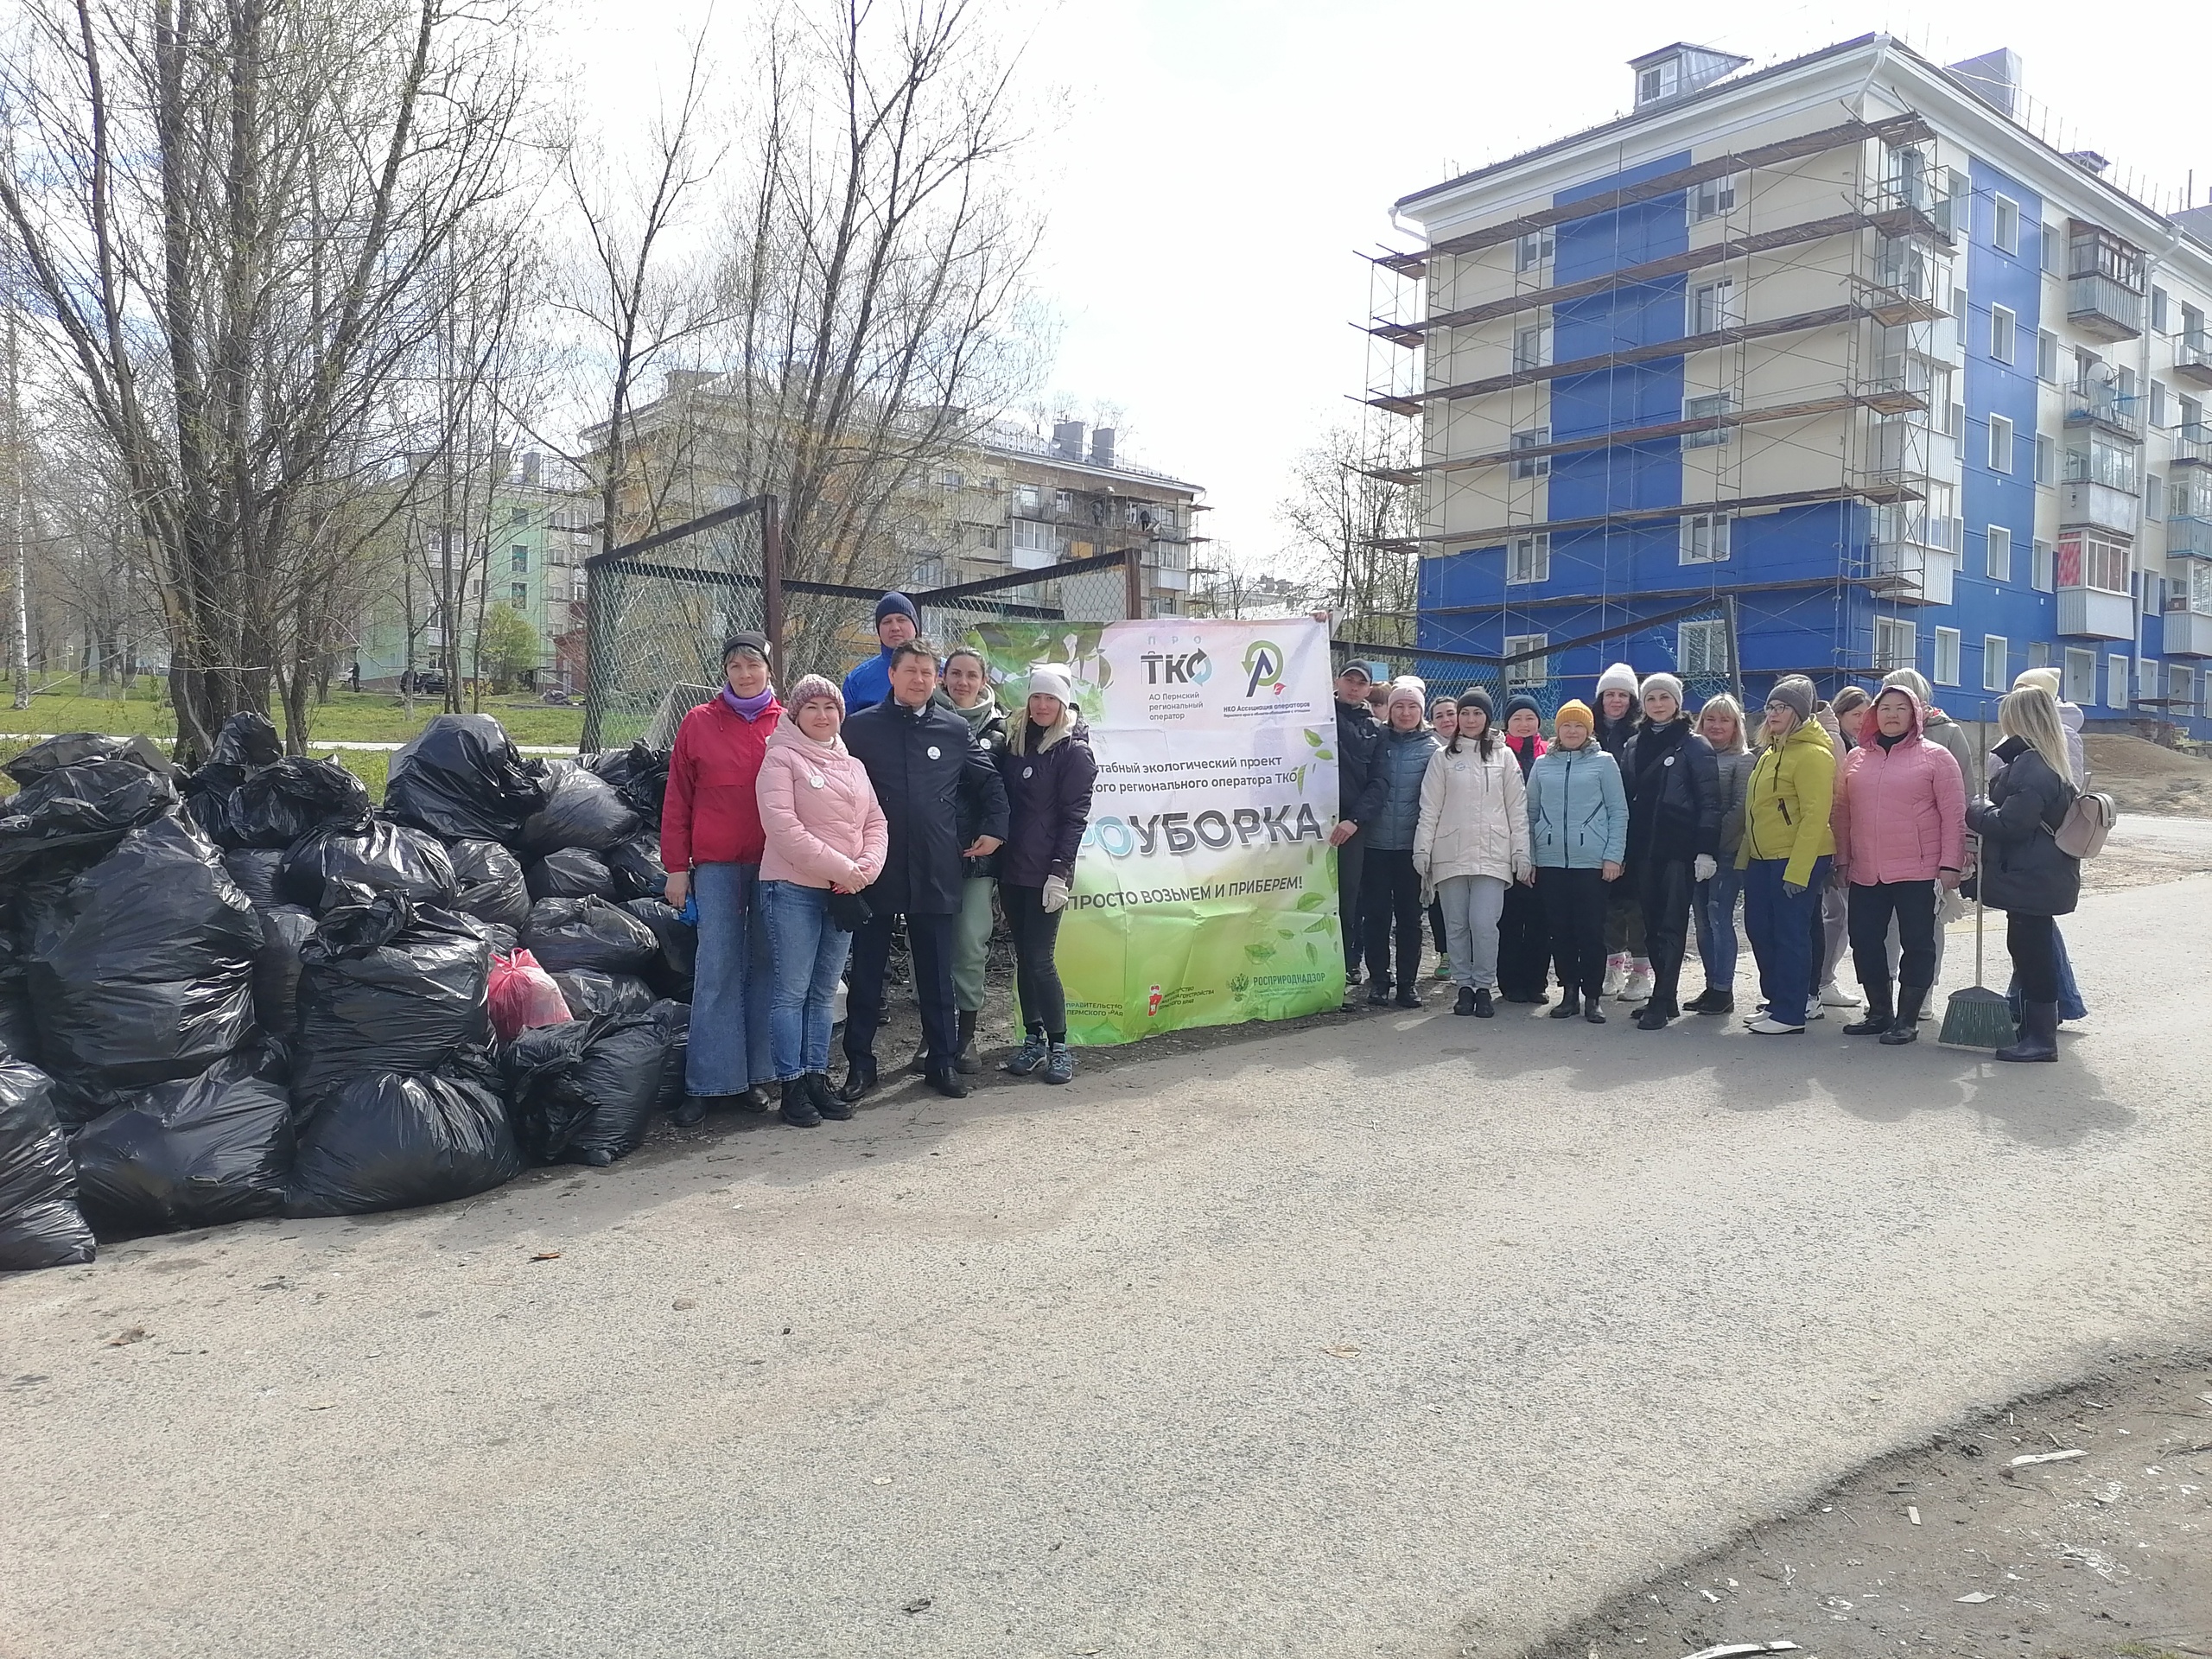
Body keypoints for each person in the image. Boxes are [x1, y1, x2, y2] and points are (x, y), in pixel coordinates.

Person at [839, 639, 1010, 1101]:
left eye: (927, 672)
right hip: (876, 867)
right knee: (869, 974)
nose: (919, 679)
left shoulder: (953, 729)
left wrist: (995, 830)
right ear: (891, 675)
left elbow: (989, 781)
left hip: (936, 865)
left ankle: (941, 1062)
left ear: (935, 680)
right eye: (910, 670)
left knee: (937, 972)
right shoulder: (858, 729)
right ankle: (860, 1064)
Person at [662, 632, 784, 1123]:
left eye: (753, 664)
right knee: (715, 969)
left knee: (766, 968)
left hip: (778, 866)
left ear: (769, 670)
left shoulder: (790, 722)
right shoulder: (699, 722)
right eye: (735, 665)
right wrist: (676, 868)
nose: (745, 673)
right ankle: (709, 1082)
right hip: (715, 866)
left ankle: (756, 1077)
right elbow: (678, 797)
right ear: (725, 672)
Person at [756, 677, 888, 1125]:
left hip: (842, 892)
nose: (821, 715)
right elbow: (784, 830)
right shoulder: (780, 759)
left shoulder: (852, 765)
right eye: (811, 707)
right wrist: (843, 870)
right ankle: (791, 1086)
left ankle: (817, 1077)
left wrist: (864, 870)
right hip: (793, 889)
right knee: (791, 993)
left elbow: (876, 821)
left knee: (823, 993)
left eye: (829, 708)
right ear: (795, 714)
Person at [1828, 685, 1965, 1045]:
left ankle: (1907, 1018)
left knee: (1918, 942)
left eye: (1900, 709)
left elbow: (1954, 815)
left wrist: (1952, 864)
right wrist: (1842, 859)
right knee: (1865, 939)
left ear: (1915, 714)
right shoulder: (1856, 758)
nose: (1891, 715)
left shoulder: (1936, 757)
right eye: (1884, 707)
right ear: (1874, 714)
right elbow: (1842, 813)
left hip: (1918, 870)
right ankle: (1879, 1013)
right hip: (1866, 869)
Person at [995, 664, 1096, 1085]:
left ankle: (1058, 1046)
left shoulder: (1074, 751)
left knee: (1040, 959)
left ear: (1063, 702)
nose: (1041, 705)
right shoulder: (1017, 741)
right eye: (1036, 697)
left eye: (1050, 699)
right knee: (1024, 959)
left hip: (1046, 873)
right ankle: (1032, 1040)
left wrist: (1060, 872)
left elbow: (1075, 818)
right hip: (1012, 868)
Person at [1967, 685, 2081, 1063]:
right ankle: (2036, 1030)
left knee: (2032, 954)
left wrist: (1976, 809)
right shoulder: (2046, 760)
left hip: (2031, 873)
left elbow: (2013, 823)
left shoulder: (2034, 767)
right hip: (2038, 872)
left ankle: (2042, 1038)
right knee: (2030, 950)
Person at [1414, 690, 1529, 1017]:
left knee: (1483, 923)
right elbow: (1430, 808)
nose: (1470, 720)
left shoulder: (1504, 757)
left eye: (1477, 714)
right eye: (1465, 714)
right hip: (1449, 852)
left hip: (1493, 853)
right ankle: (1463, 986)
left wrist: (1521, 851)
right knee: (1456, 924)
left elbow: (1516, 808)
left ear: (1487, 718)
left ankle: (1484, 987)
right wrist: (1422, 848)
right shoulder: (1443, 758)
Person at [1619, 671, 1720, 1029]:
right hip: (1643, 847)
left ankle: (1662, 999)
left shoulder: (1695, 745)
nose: (1658, 704)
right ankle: (1666, 995)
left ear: (1677, 702)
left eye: (1664, 698)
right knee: (1649, 924)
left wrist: (1706, 851)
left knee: (1671, 925)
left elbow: (1710, 802)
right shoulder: (1634, 744)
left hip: (1679, 848)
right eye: (1651, 699)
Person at [1737, 675, 1835, 1035]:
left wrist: (1799, 870)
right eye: (1771, 706)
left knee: (1791, 933)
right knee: (1760, 930)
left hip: (1795, 858)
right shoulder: (1770, 752)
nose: (1774, 713)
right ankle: (1777, 1000)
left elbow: (1815, 815)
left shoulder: (1813, 755)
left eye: (1782, 707)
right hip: (1763, 858)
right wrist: (1745, 857)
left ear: (1800, 713)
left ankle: (1793, 1012)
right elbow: (1756, 810)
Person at [931, 646, 1009, 1073]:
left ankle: (966, 1038)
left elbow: (1004, 792)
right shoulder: (925, 718)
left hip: (978, 857)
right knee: (932, 945)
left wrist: (995, 837)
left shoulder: (1002, 731)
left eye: (971, 675)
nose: (962, 682)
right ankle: (934, 1034)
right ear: (943, 677)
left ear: (983, 680)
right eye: (955, 674)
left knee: (970, 945)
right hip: (931, 853)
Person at [1528, 700, 1627, 1023]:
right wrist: (1530, 855)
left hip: (1592, 863)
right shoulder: (1543, 764)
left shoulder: (1604, 762)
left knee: (1591, 932)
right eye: (1566, 725)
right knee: (1560, 930)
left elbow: (1618, 811)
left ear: (1589, 730)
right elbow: (1529, 813)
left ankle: (1593, 996)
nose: (1572, 731)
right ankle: (1569, 992)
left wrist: (1613, 855)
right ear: (1557, 729)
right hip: (1551, 860)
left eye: (1579, 726)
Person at [2010, 666, 2089, 1025]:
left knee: (2034, 936)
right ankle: (2036, 1006)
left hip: (2038, 851)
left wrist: (1980, 813)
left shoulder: (2053, 745)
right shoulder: (2030, 747)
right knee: (2031, 936)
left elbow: (2034, 805)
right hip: (2032, 853)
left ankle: (2049, 1011)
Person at [1362, 677, 1441, 1008]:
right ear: (1390, 711)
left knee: (1410, 918)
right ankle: (1379, 980)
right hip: (1375, 844)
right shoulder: (1376, 741)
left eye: (1412, 707)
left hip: (1412, 847)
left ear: (1421, 711)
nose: (1406, 712)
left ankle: (1408, 984)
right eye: (1399, 706)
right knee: (1376, 916)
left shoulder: (1433, 749)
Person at [1687, 694, 1753, 1014]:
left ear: (1736, 726)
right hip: (1694, 854)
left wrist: (1709, 844)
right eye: (1711, 719)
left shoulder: (1743, 760)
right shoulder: (1694, 756)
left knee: (1718, 918)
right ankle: (1711, 985)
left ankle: (1724, 989)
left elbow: (1740, 809)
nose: (1716, 725)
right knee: (1701, 922)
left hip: (1726, 854)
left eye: (1724, 720)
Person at [1811, 685, 1872, 1013]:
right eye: (1855, 714)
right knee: (1837, 914)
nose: (1862, 721)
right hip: (1836, 842)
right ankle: (1822, 981)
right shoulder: (1837, 745)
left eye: (1866, 714)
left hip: (1854, 841)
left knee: (1839, 915)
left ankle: (1822, 979)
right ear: (1840, 714)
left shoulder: (1864, 746)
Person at [1592, 661, 1649, 1000]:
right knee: (1608, 901)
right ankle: (1612, 966)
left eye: (1623, 695)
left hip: (1636, 826)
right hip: (1598, 828)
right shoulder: (1589, 731)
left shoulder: (1641, 733)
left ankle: (1640, 971)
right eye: (1609, 694)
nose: (1616, 701)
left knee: (1636, 902)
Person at [1331, 661, 1387, 988]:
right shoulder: (1318, 714)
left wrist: (1354, 821)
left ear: (1369, 689)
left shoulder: (1376, 730)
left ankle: (1348, 964)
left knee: (1348, 899)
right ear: (1338, 681)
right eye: (1348, 680)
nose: (1353, 687)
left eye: (1360, 683)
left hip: (1351, 827)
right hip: (1307, 822)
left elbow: (1379, 782)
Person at [1495, 693, 1554, 1004]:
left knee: (1539, 920)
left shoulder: (1551, 753)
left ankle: (1537, 983)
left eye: (1529, 717)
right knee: (1509, 919)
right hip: (1504, 849)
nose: (1523, 723)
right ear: (1507, 724)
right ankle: (1510, 983)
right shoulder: (1498, 754)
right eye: (1517, 718)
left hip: (1544, 848)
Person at [1425, 692, 1465, 979]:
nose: (1446, 719)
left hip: (1473, 835)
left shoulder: (1479, 746)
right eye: (1439, 715)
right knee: (1439, 899)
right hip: (1439, 835)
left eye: (1451, 713)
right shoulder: (1428, 750)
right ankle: (1446, 953)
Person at [841, 592, 921, 713]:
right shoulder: (857, 679)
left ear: (915, 627)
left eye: (901, 620)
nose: (895, 627)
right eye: (887, 622)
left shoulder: (946, 670)